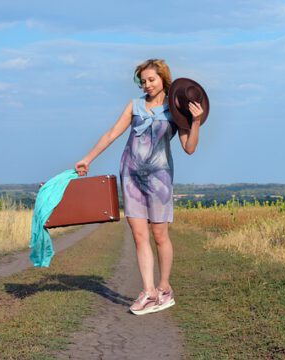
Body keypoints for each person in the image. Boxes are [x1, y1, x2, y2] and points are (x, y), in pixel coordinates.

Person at [75, 58, 204, 315]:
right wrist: (88, 158)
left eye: (151, 79)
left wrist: (196, 121)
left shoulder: (175, 109)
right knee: (138, 235)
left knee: (159, 235)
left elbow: (189, 148)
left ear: (163, 78)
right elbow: (112, 133)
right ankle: (148, 291)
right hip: (130, 176)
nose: (147, 85)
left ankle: (164, 288)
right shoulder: (134, 106)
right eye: (143, 81)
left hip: (159, 180)